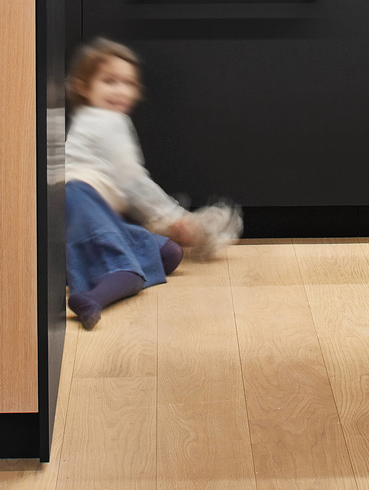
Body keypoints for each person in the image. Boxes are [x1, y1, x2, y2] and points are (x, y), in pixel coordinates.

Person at [64, 37, 238, 328]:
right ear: (84, 86)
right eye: (110, 81)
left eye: (128, 83)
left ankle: (80, 266)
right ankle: (92, 299)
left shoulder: (89, 119)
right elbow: (132, 180)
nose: (121, 91)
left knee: (168, 252)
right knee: (128, 272)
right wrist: (172, 217)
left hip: (89, 208)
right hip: (79, 200)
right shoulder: (107, 121)